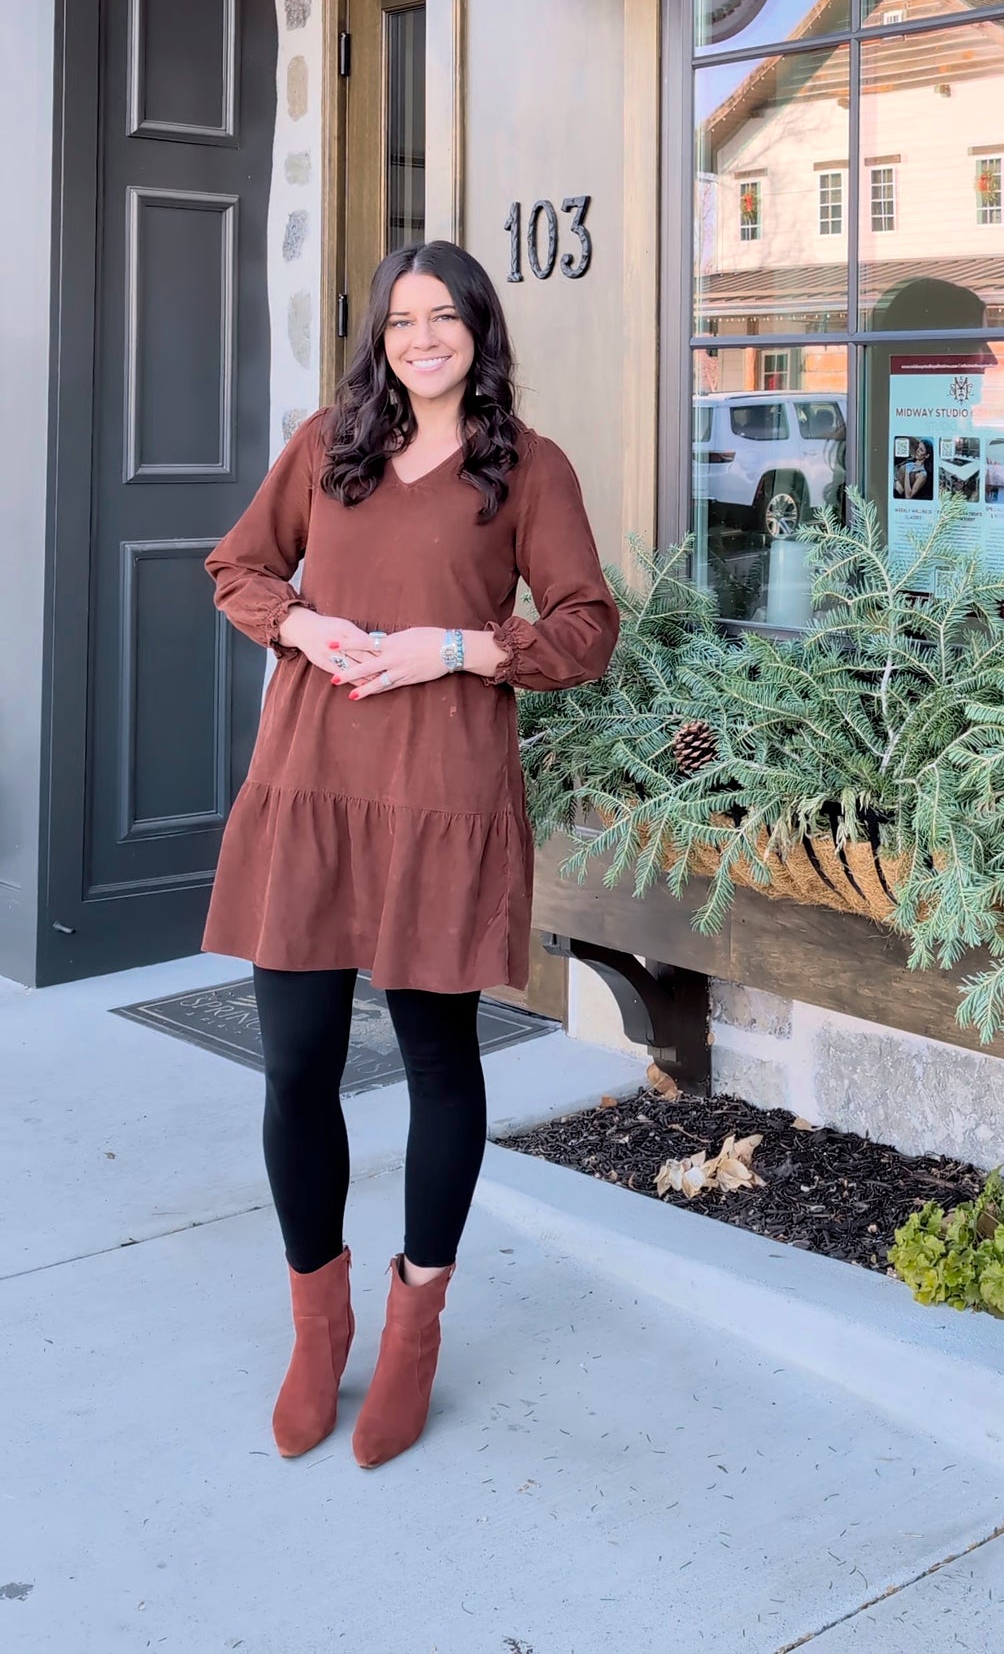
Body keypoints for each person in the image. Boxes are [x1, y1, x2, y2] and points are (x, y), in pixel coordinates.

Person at [202, 240, 618, 1469]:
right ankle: (317, 1322)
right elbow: (236, 566)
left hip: (441, 793)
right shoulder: (327, 444)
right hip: (312, 785)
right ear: (378, 336)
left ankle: (416, 1319)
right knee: (296, 1066)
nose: (421, 337)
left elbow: (587, 626)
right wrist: (306, 622)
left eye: (444, 317)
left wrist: (459, 649)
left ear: (480, 333)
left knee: (439, 1060)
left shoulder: (528, 471)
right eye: (400, 319)